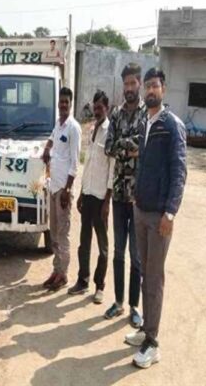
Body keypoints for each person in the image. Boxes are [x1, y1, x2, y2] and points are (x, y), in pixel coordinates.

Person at [125, 68, 187, 369]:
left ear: (163, 89)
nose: (150, 90)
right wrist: (136, 193)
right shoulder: (144, 123)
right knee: (143, 273)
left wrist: (170, 212)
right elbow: (143, 163)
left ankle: (153, 343)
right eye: (147, 86)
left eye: (155, 86)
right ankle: (146, 329)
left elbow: (179, 171)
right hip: (141, 210)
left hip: (160, 216)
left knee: (154, 278)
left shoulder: (172, 125)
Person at [103, 63, 145, 328]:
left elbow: (147, 146)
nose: (129, 88)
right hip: (119, 194)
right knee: (118, 252)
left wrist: (126, 146)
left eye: (133, 83)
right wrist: (132, 147)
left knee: (136, 256)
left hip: (138, 197)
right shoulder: (116, 114)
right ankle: (118, 302)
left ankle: (134, 306)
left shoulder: (146, 114)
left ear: (139, 83)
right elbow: (108, 147)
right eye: (126, 84)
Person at [68, 91, 114, 303]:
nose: (97, 111)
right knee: (84, 243)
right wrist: (80, 193)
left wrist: (107, 201)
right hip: (87, 195)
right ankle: (82, 280)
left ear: (107, 108)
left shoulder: (110, 131)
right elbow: (87, 165)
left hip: (101, 198)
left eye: (100, 108)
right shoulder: (93, 129)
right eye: (95, 108)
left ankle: (100, 286)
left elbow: (112, 168)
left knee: (103, 247)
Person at [41, 87, 82, 291]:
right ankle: (56, 270)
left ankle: (63, 274)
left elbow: (75, 163)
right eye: (61, 101)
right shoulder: (58, 124)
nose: (63, 105)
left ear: (71, 104)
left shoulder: (74, 128)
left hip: (63, 190)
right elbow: (51, 138)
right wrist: (47, 148)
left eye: (67, 102)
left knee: (63, 235)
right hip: (53, 187)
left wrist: (67, 190)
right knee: (54, 234)